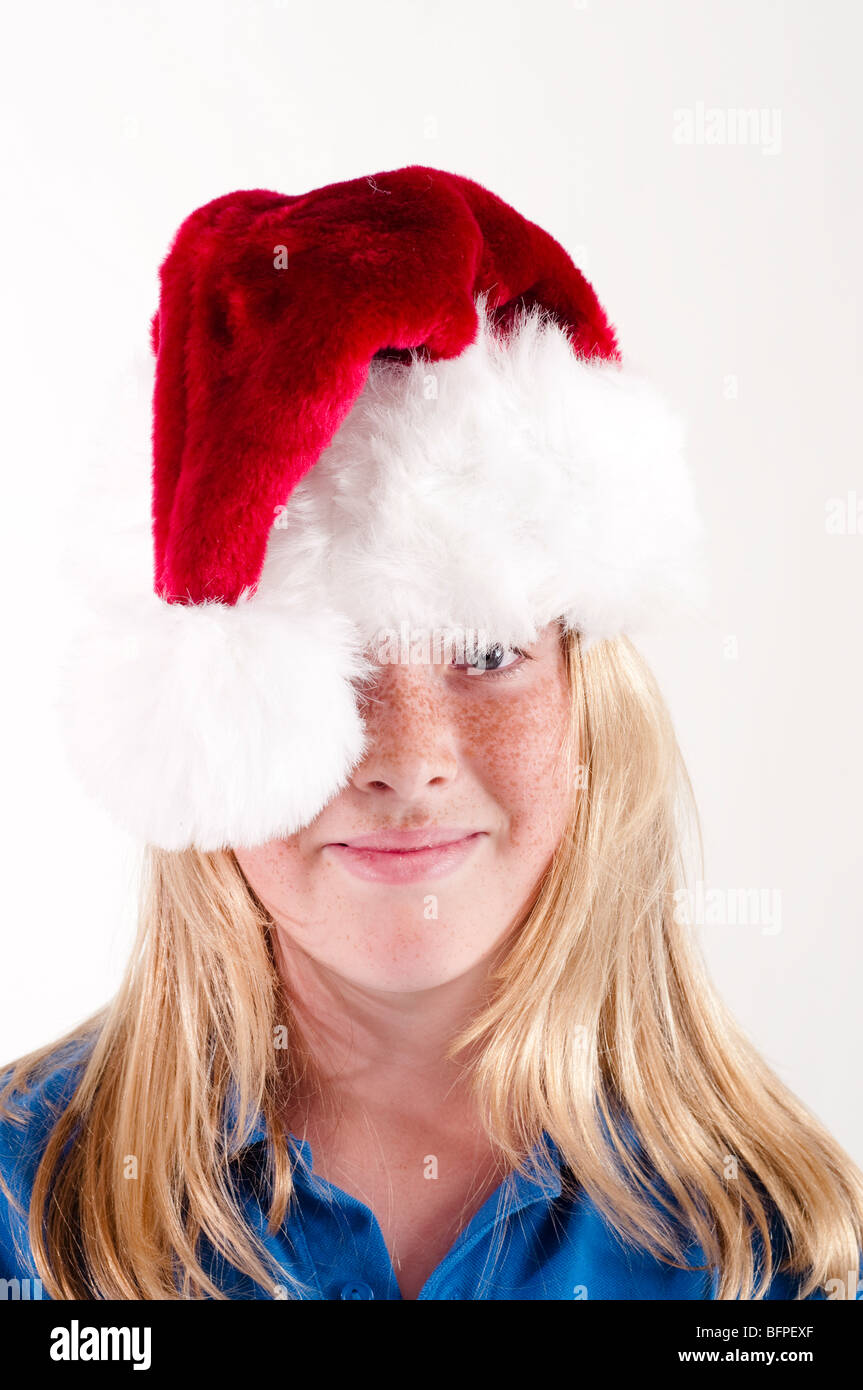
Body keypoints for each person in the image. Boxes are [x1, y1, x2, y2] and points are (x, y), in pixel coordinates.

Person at [1, 166, 861, 1301]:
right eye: (336, 660)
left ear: (583, 699)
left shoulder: (771, 1249)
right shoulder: (29, 1209)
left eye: (489, 653)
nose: (407, 758)